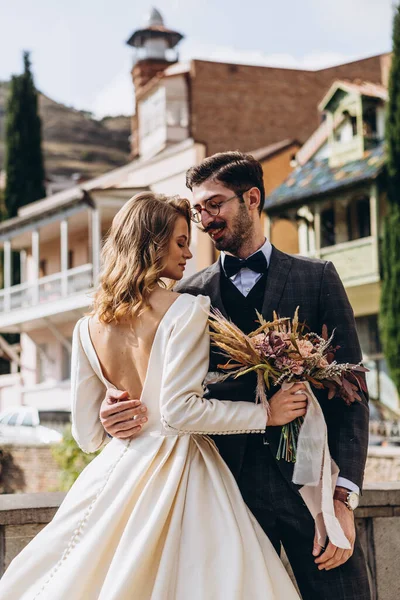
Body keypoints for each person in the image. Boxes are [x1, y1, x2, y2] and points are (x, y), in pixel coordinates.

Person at [0, 192, 301, 600]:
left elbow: (88, 437)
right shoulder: (188, 309)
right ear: (151, 243)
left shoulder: (88, 326)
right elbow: (180, 413)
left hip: (117, 472)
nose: (190, 253)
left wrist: (111, 415)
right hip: (182, 473)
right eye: (180, 242)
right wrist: (266, 415)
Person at [99, 153, 371, 600]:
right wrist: (114, 410)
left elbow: (352, 394)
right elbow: (158, 389)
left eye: (214, 204)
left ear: (252, 198)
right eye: (198, 209)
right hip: (224, 496)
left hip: (313, 491)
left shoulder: (317, 278)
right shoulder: (185, 296)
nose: (204, 219)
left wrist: (343, 500)